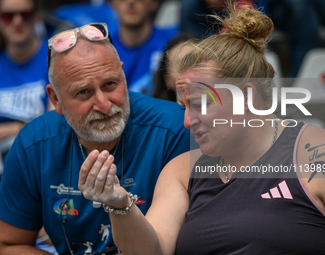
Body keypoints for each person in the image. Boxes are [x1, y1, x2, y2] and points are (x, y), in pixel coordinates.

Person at [78, 3, 325, 254]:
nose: (187, 122)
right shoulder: (182, 170)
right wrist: (119, 204)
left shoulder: (321, 157)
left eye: (200, 104)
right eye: (184, 107)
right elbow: (151, 251)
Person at [0, 22, 190, 254]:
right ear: (56, 99)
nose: (103, 104)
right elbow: (9, 243)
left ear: (123, 75)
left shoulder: (176, 129)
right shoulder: (34, 144)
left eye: (110, 84)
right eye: (84, 92)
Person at [0, 0, 51, 165]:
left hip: (41, 158)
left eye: (25, 15)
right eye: (8, 16)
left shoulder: (54, 58)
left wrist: (14, 128)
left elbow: (54, 126)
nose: (17, 21)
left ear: (36, 17)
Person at [109, 0, 178, 96]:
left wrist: (203, 111)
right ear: (113, 3)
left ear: (154, 3)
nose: (131, 2)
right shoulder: (101, 45)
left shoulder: (175, 42)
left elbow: (202, 88)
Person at [153, 33, 197, 102]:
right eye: (179, 66)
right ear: (166, 78)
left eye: (194, 63)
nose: (188, 73)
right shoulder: (155, 111)